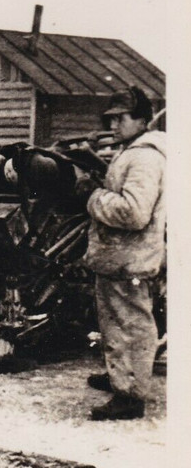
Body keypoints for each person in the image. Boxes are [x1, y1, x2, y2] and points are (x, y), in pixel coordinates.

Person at [76, 86, 165, 420]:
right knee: (117, 323)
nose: (114, 126)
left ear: (141, 119)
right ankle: (121, 377)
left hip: (130, 259)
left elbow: (134, 212)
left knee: (131, 325)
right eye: (110, 119)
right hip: (121, 258)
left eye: (121, 119)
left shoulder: (143, 157)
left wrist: (94, 196)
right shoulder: (133, 151)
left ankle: (130, 394)